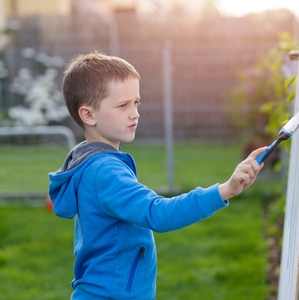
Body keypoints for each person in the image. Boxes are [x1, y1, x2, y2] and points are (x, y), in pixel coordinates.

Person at [48, 51, 266, 300]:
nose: (134, 113)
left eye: (136, 103)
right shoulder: (105, 172)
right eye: (123, 106)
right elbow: (159, 213)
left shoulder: (88, 160)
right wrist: (225, 190)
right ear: (88, 115)